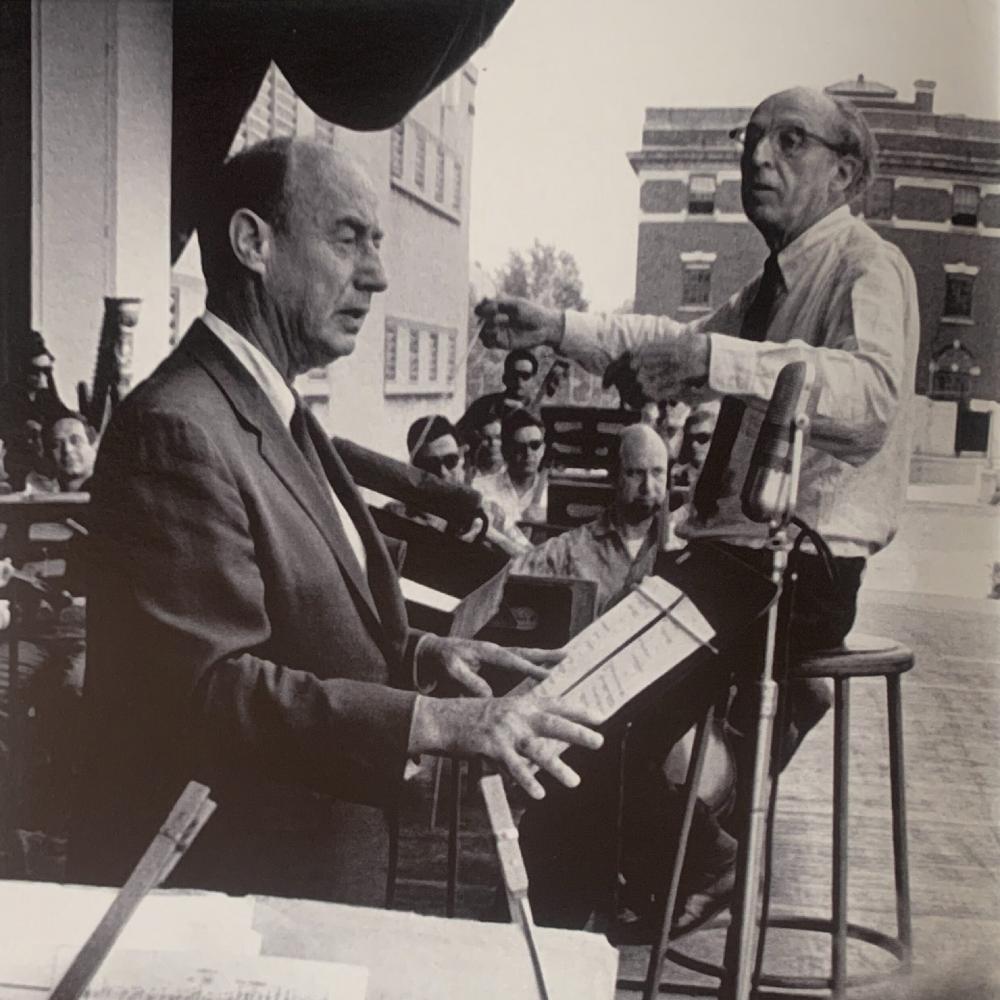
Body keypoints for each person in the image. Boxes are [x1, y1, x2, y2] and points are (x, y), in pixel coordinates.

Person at [70, 137, 603, 904]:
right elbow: (209, 691)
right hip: (225, 899)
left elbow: (307, 617)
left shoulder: (271, 405)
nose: (378, 275)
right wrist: (441, 724)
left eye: (377, 243)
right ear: (254, 243)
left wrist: (426, 654)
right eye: (348, 238)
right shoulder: (178, 427)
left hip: (300, 871)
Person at [478, 85, 919, 928]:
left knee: (592, 719)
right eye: (752, 140)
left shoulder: (870, 267)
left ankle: (685, 869)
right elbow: (666, 340)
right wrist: (556, 324)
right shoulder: (771, 291)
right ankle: (592, 913)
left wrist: (715, 361)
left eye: (791, 142)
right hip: (726, 564)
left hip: (796, 570)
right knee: (569, 706)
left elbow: (870, 398)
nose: (758, 158)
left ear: (846, 171)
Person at [509, 423, 667, 616]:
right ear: (614, 476)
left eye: (658, 472)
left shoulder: (681, 546)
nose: (648, 487)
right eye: (635, 473)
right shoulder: (571, 549)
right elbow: (507, 581)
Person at [385, 414, 526, 556]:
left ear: (462, 459)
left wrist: (493, 536)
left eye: (450, 460)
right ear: (416, 468)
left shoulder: (492, 511)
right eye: (430, 464)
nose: (443, 473)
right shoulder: (396, 514)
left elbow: (535, 561)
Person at [0, 331, 71, 491]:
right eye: (35, 371)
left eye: (46, 371)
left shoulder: (46, 397)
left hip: (48, 466)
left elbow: (62, 416)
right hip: (17, 466)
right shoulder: (7, 396)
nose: (41, 377)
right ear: (22, 370)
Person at [473, 408, 549, 549]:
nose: (528, 453)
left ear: (543, 449)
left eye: (535, 445)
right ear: (505, 450)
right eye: (520, 447)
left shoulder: (552, 495)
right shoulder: (479, 489)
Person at [456, 347, 538, 444]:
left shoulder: (539, 412)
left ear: (533, 380)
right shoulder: (483, 405)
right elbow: (458, 435)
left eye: (525, 376)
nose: (519, 381)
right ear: (504, 378)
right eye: (514, 375)